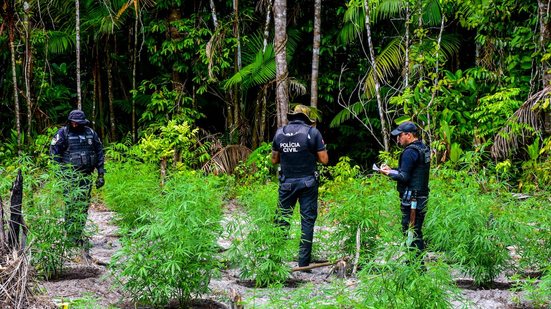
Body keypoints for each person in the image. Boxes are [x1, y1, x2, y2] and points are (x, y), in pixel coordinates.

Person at [271, 104, 329, 268]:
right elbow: (324, 160)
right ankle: (303, 264)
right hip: (307, 183)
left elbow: (274, 160)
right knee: (307, 222)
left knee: (281, 221)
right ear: (306, 119)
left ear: (293, 117)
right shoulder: (312, 133)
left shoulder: (280, 133)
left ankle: (274, 261)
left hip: (287, 183)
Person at [50, 110, 105, 258]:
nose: (75, 124)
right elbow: (54, 154)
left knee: (83, 206)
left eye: (78, 122)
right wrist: (60, 175)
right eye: (73, 121)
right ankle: (70, 236)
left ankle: (78, 233)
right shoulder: (63, 133)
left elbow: (99, 151)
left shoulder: (90, 133)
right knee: (71, 205)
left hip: (86, 177)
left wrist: (100, 174)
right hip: (69, 177)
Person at [379, 121, 430, 253]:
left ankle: (415, 266)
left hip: (412, 199)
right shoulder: (423, 148)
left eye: (400, 135)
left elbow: (404, 177)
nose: (398, 139)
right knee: (416, 231)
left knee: (410, 231)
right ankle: (416, 265)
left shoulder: (410, 152)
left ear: (408, 135)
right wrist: (393, 169)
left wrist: (389, 173)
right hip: (422, 196)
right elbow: (410, 172)